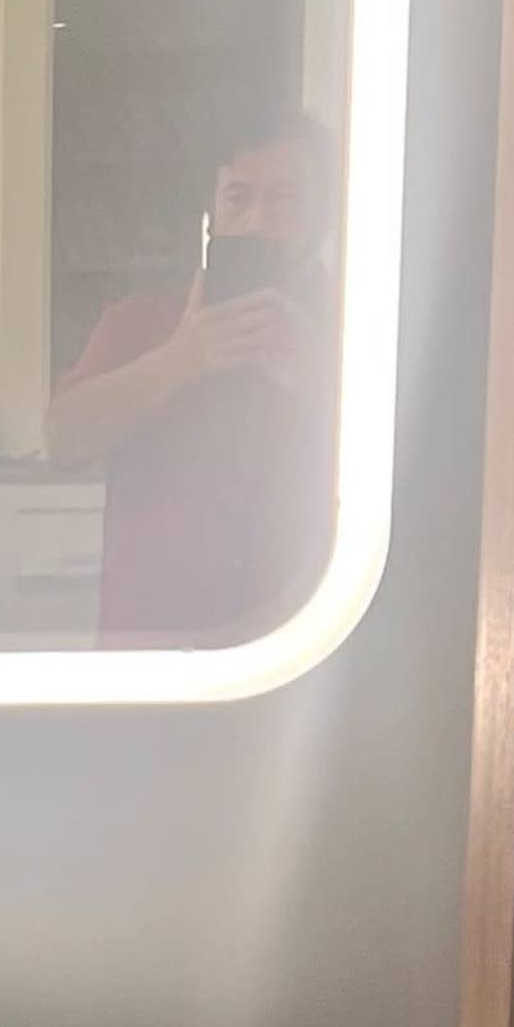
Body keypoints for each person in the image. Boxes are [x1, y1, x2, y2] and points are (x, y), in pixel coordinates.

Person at [44, 114, 341, 647]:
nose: (256, 221)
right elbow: (63, 441)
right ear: (211, 212)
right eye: (238, 196)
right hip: (152, 662)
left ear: (325, 216)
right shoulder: (139, 322)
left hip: (308, 655)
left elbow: (423, 481)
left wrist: (321, 374)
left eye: (284, 199)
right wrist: (179, 360)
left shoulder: (360, 335)